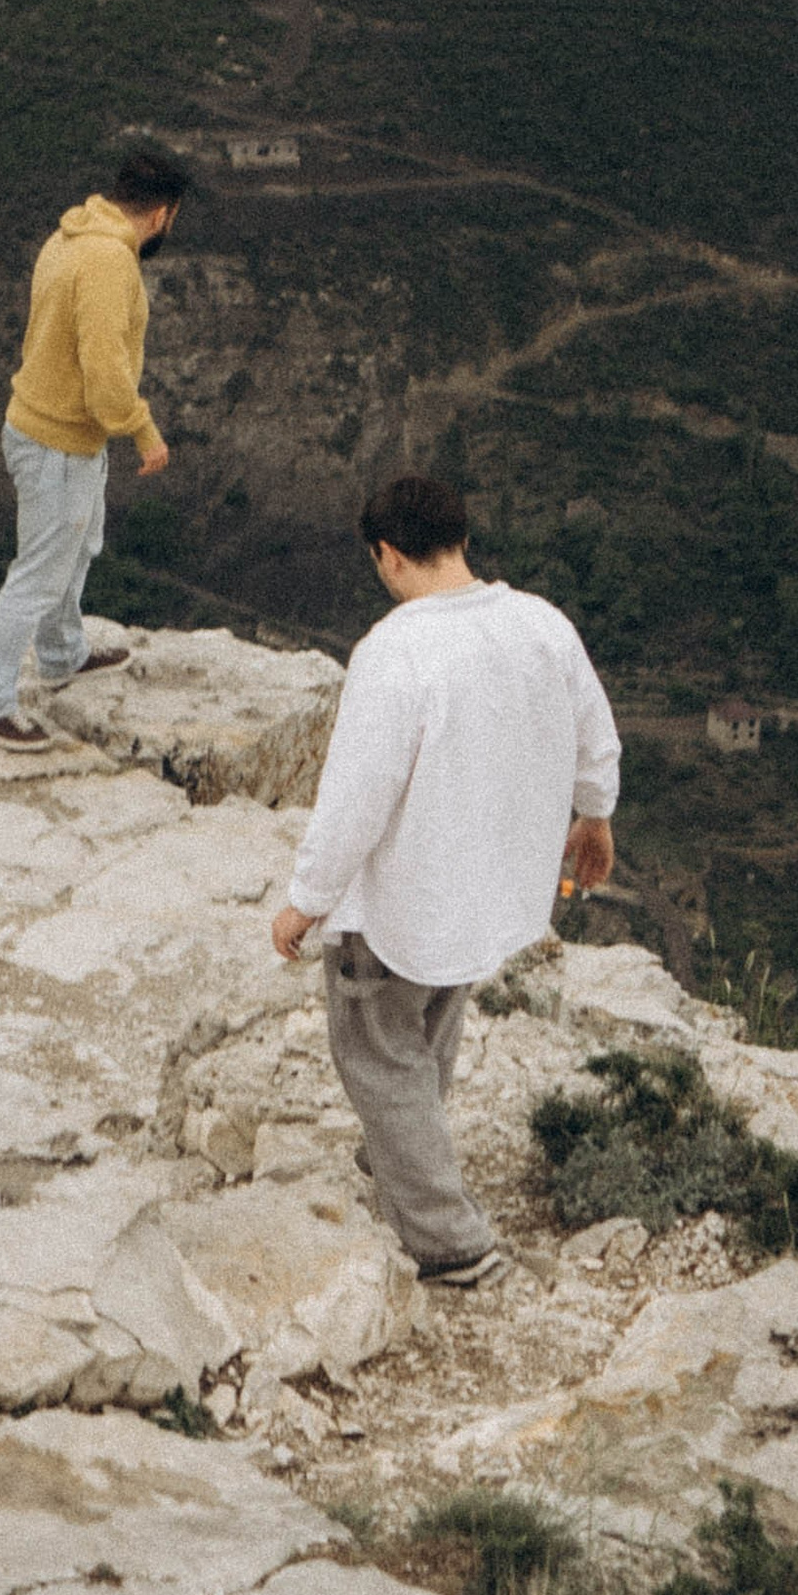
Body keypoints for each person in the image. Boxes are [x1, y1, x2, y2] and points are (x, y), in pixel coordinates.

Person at [271, 472, 620, 1287]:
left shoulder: (394, 652)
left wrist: (306, 901)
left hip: (407, 897)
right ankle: (397, 1156)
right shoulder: (541, 625)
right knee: (430, 1030)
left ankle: (449, 1242)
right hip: (492, 888)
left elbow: (355, 798)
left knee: (378, 1052)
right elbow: (593, 734)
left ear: (388, 556)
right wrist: (594, 816)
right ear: (460, 537)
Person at [0, 147, 191, 753]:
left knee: (78, 544)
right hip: (58, 441)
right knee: (38, 572)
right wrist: (142, 428)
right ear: (163, 213)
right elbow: (106, 370)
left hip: (50, 428)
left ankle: (63, 652)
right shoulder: (110, 262)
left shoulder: (69, 234)